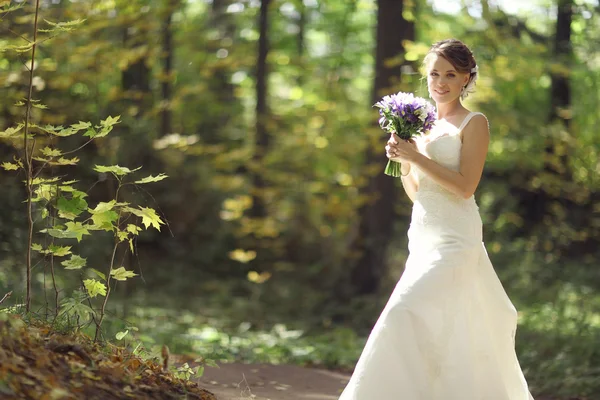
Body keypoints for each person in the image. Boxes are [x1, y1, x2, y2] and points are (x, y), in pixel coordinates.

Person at [338, 39, 535, 400]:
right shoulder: (422, 123)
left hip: (457, 237)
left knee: (403, 311)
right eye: (433, 74)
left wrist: (418, 157)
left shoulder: (475, 122)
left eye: (450, 74)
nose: (440, 82)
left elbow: (464, 187)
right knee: (443, 325)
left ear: (465, 79)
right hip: (423, 235)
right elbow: (418, 192)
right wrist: (403, 157)